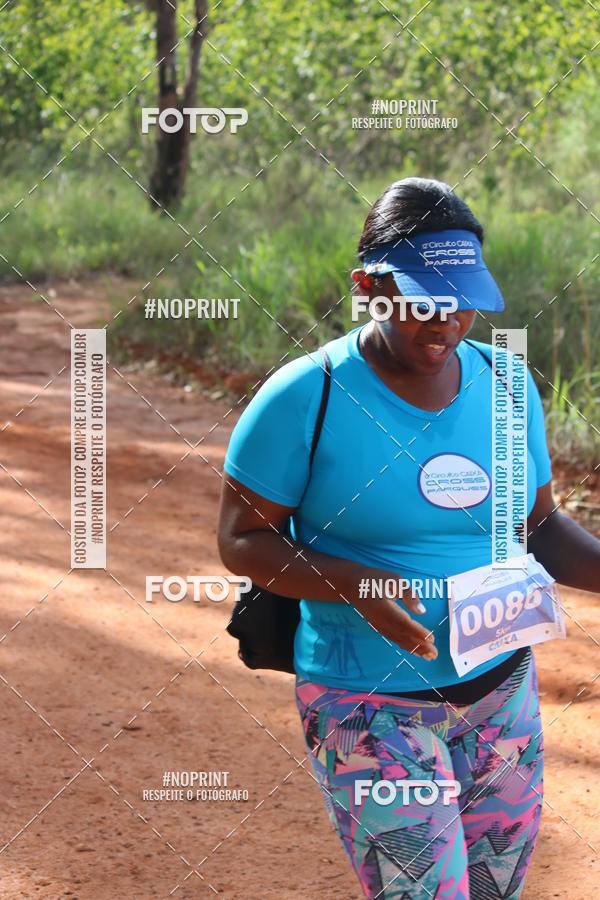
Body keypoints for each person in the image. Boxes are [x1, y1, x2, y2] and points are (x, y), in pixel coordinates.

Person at [216, 177, 600, 898]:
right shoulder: (306, 396)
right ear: (367, 285)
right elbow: (242, 540)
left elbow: (541, 525)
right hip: (368, 705)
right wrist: (355, 585)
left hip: (501, 697)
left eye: (462, 302)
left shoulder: (508, 386)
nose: (445, 320)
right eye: (423, 297)